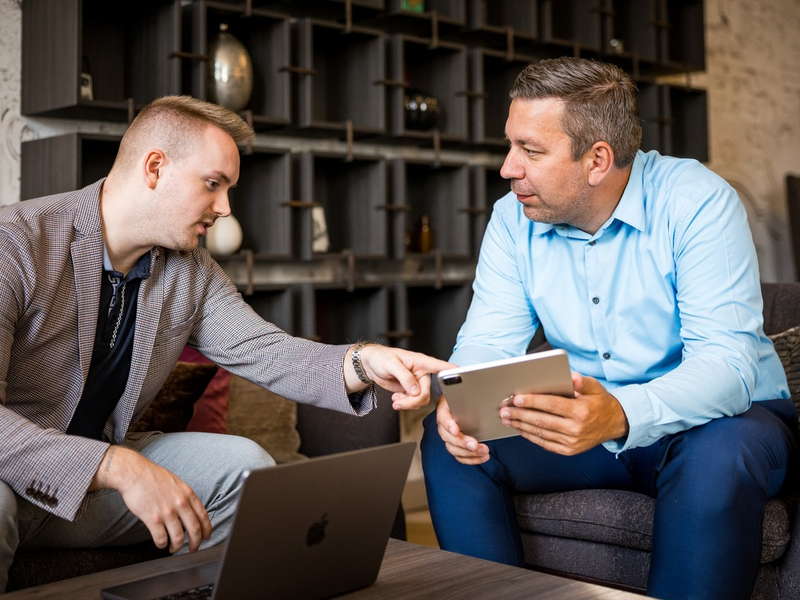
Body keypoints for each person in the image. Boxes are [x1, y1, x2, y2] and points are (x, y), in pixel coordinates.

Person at [0, 95, 452, 592]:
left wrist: (366, 362)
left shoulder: (190, 270)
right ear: (155, 168)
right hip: (13, 478)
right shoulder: (15, 243)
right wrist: (115, 463)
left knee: (245, 467)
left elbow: (269, 351)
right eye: (213, 185)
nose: (224, 208)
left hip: (91, 494)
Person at [420, 57, 799, 600]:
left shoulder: (697, 201)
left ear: (597, 159)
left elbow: (728, 368)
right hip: (584, 414)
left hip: (718, 422)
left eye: (530, 151)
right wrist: (462, 400)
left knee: (720, 455)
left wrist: (620, 414)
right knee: (451, 438)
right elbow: (486, 342)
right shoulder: (512, 218)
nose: (507, 168)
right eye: (511, 145)